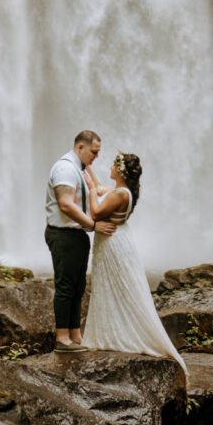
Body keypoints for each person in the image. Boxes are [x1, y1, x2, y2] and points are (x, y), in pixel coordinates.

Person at [81, 151, 187, 372]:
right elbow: (100, 188)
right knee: (110, 287)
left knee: (118, 288)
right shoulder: (120, 191)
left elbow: (96, 210)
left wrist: (90, 189)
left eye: (112, 164)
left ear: (120, 170)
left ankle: (123, 333)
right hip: (116, 240)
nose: (109, 166)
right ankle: (112, 331)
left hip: (112, 243)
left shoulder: (120, 194)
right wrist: (85, 166)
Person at [45, 131, 116, 352]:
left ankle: (75, 334)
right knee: (66, 286)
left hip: (76, 235)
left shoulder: (79, 168)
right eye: (94, 152)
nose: (96, 156)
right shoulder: (65, 168)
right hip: (63, 234)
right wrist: (94, 226)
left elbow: (95, 190)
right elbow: (65, 204)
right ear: (80, 148)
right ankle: (62, 338)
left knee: (78, 287)